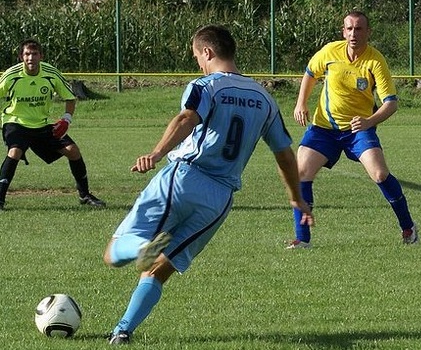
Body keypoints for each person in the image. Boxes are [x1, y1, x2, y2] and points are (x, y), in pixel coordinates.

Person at [102, 25, 314, 345]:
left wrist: (157, 153)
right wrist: (296, 197)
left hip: (183, 178)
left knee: (112, 255)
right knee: (160, 270)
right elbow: (284, 153)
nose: (198, 64)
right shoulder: (264, 98)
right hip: (218, 199)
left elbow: (187, 119)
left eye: (197, 57)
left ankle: (140, 248)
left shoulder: (206, 86)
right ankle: (122, 331)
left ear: (208, 52)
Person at [288, 10, 417, 249]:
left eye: (358, 29)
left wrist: (369, 121)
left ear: (368, 32)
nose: (353, 34)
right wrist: (301, 103)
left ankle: (408, 227)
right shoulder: (330, 51)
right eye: (349, 29)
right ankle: (302, 238)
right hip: (324, 128)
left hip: (358, 130)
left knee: (379, 174)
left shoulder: (375, 61)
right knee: (301, 172)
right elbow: (310, 73)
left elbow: (391, 103)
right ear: (343, 32)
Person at [0, 39, 105, 210]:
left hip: (43, 123)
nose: (31, 58)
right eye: (27, 54)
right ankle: (0, 199)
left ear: (41, 56)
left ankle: (85, 195)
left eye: (35, 54)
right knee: (15, 151)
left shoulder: (51, 73)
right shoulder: (11, 75)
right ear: (21, 56)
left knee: (73, 151)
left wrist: (66, 119)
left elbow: (70, 98)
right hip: (16, 121)